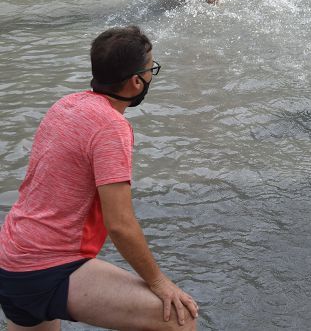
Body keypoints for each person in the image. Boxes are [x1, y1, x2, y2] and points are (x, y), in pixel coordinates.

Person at [0, 26, 199, 331]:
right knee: (177, 319)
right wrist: (160, 282)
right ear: (136, 82)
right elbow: (119, 223)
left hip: (11, 260)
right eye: (151, 70)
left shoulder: (65, 105)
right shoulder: (111, 127)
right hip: (49, 267)